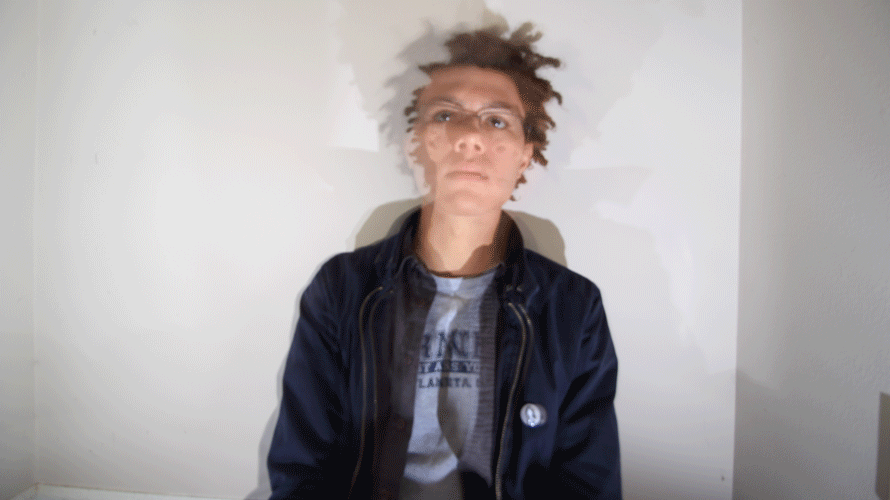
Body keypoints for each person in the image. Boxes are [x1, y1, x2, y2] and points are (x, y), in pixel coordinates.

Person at [267, 25, 621, 500]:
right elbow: (302, 472)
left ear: (525, 156)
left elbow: (587, 483)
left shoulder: (573, 306)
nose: (470, 137)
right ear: (418, 142)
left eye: (497, 121)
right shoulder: (341, 289)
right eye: (446, 115)